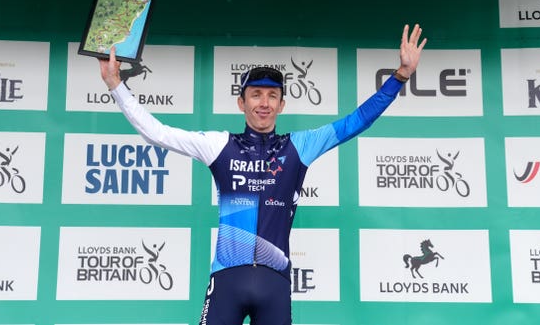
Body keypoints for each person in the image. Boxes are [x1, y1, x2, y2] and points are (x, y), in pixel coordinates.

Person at [99, 24, 426, 325]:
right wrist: (116, 85)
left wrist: (400, 75)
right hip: (227, 280)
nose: (264, 103)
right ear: (241, 102)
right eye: (256, 94)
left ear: (282, 105)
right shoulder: (219, 145)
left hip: (275, 283)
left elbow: (357, 121)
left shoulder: (300, 145)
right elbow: (157, 133)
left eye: (272, 96)